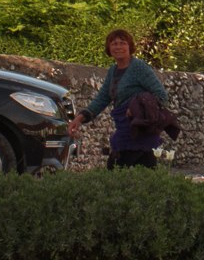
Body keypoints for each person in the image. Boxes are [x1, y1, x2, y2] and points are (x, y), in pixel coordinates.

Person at [69, 29, 171, 169]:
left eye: (122, 43)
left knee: (117, 167)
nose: (118, 47)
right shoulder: (113, 71)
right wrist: (80, 118)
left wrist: (137, 109)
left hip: (139, 130)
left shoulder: (139, 68)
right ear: (109, 48)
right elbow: (102, 98)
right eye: (114, 43)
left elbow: (161, 96)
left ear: (130, 47)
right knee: (140, 171)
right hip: (124, 127)